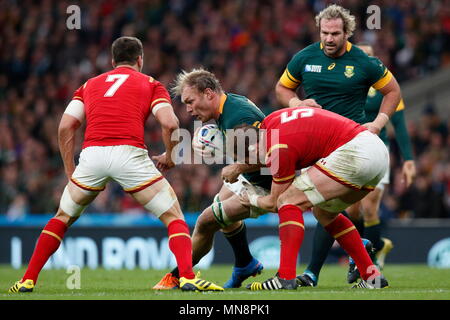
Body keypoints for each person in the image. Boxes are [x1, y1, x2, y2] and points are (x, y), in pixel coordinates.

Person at [8, 37, 223, 293]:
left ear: (112, 61)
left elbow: (66, 125)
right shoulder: (151, 84)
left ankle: (27, 280)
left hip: (92, 156)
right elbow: (171, 123)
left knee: (62, 218)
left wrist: (69, 170)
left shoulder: (88, 85)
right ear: (140, 60)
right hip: (129, 154)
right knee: (173, 216)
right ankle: (186, 277)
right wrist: (169, 156)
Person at [274, 4, 402, 286]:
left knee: (320, 207)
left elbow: (393, 91)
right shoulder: (305, 57)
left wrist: (378, 123)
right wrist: (296, 102)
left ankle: (304, 274)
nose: (329, 39)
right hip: (315, 145)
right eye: (324, 33)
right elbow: (282, 88)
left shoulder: (364, 62)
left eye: (335, 34)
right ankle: (361, 261)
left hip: (350, 146)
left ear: (347, 33)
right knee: (326, 210)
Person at [236, 106, 390, 290]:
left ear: (253, 147)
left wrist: (251, 198)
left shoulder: (276, 147)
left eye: (247, 159)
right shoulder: (272, 121)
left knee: (288, 202)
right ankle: (372, 277)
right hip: (377, 152)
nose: (251, 164)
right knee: (324, 213)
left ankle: (285, 277)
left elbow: (275, 202)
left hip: (354, 151)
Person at [153, 68, 270, 290]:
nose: (188, 109)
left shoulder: (239, 117)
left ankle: (176, 277)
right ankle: (245, 263)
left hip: (267, 184)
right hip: (251, 176)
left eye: (190, 101)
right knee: (219, 206)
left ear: (208, 94)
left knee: (206, 221)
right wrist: (172, 156)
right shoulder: (228, 105)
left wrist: (236, 167)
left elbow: (271, 156)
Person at [344, 43, 416, 283]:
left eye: (367, 56)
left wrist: (408, 159)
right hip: (349, 149)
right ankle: (371, 249)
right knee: (353, 210)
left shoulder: (385, 86)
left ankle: (370, 267)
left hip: (378, 150)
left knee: (371, 205)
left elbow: (401, 123)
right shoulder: (346, 85)